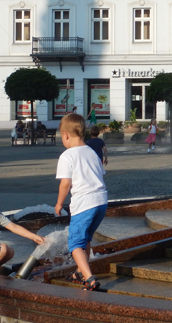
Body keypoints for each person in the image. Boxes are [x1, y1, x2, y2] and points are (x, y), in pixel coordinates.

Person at [54, 113, 108, 291]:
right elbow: (100, 175)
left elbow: (65, 184)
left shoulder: (67, 156)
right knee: (86, 239)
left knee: (75, 243)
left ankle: (89, 278)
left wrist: (59, 204)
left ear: (65, 135)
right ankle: (79, 272)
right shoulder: (92, 152)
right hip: (101, 202)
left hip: (84, 204)